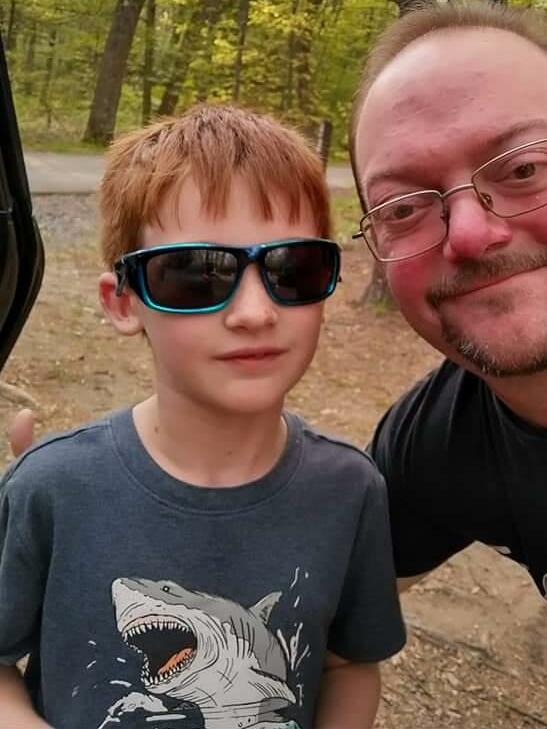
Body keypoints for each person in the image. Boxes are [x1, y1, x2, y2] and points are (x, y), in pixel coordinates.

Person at [0, 105, 405, 729]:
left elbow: (349, 666)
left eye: (292, 268)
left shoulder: (350, 491)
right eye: (196, 274)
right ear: (123, 302)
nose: (255, 312)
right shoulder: (50, 488)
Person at [350, 0, 547, 597]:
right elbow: (338, 604)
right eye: (404, 208)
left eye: (525, 170)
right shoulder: (438, 443)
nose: (468, 233)